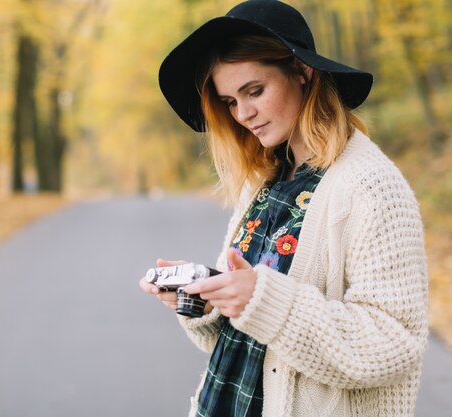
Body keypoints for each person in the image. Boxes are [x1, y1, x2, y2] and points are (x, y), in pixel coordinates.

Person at [139, 1, 429, 416]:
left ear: (302, 71)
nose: (243, 114)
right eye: (230, 101)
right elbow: (241, 335)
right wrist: (205, 299)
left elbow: (392, 343)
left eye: (254, 91)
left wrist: (263, 299)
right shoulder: (266, 179)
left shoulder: (371, 186)